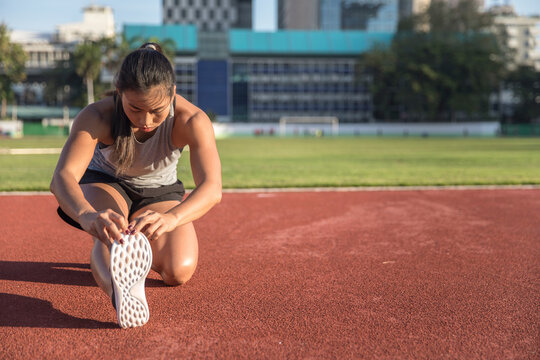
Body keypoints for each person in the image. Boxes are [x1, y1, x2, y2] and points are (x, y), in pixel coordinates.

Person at [50, 42, 222, 328]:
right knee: (111, 233)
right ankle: (118, 289)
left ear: (173, 93)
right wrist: (88, 216)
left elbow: (212, 187)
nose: (145, 120)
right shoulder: (97, 116)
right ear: (119, 92)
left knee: (178, 271)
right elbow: (62, 177)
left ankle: (135, 256)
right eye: (135, 108)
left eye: (156, 110)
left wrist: (171, 218)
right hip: (108, 183)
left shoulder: (192, 120)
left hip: (159, 192)